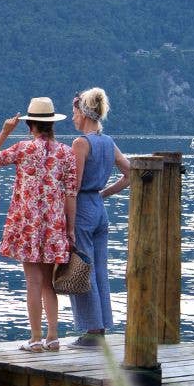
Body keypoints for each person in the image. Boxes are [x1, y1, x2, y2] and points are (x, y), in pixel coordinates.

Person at [0, 97, 76, 351]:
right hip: (54, 225)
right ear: (52, 125)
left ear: (30, 125)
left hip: (27, 225)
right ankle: (53, 337)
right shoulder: (66, 153)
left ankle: (35, 339)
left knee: (33, 284)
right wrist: (70, 228)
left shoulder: (23, 149)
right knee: (49, 284)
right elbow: (71, 193)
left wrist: (4, 132)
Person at [67, 88, 131, 348]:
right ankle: (101, 327)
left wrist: (68, 224)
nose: (72, 118)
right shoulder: (108, 142)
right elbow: (130, 173)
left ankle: (91, 331)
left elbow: (74, 185)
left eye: (73, 112)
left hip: (82, 206)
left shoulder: (81, 143)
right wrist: (103, 193)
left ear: (83, 113)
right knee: (100, 269)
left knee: (82, 268)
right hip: (99, 209)